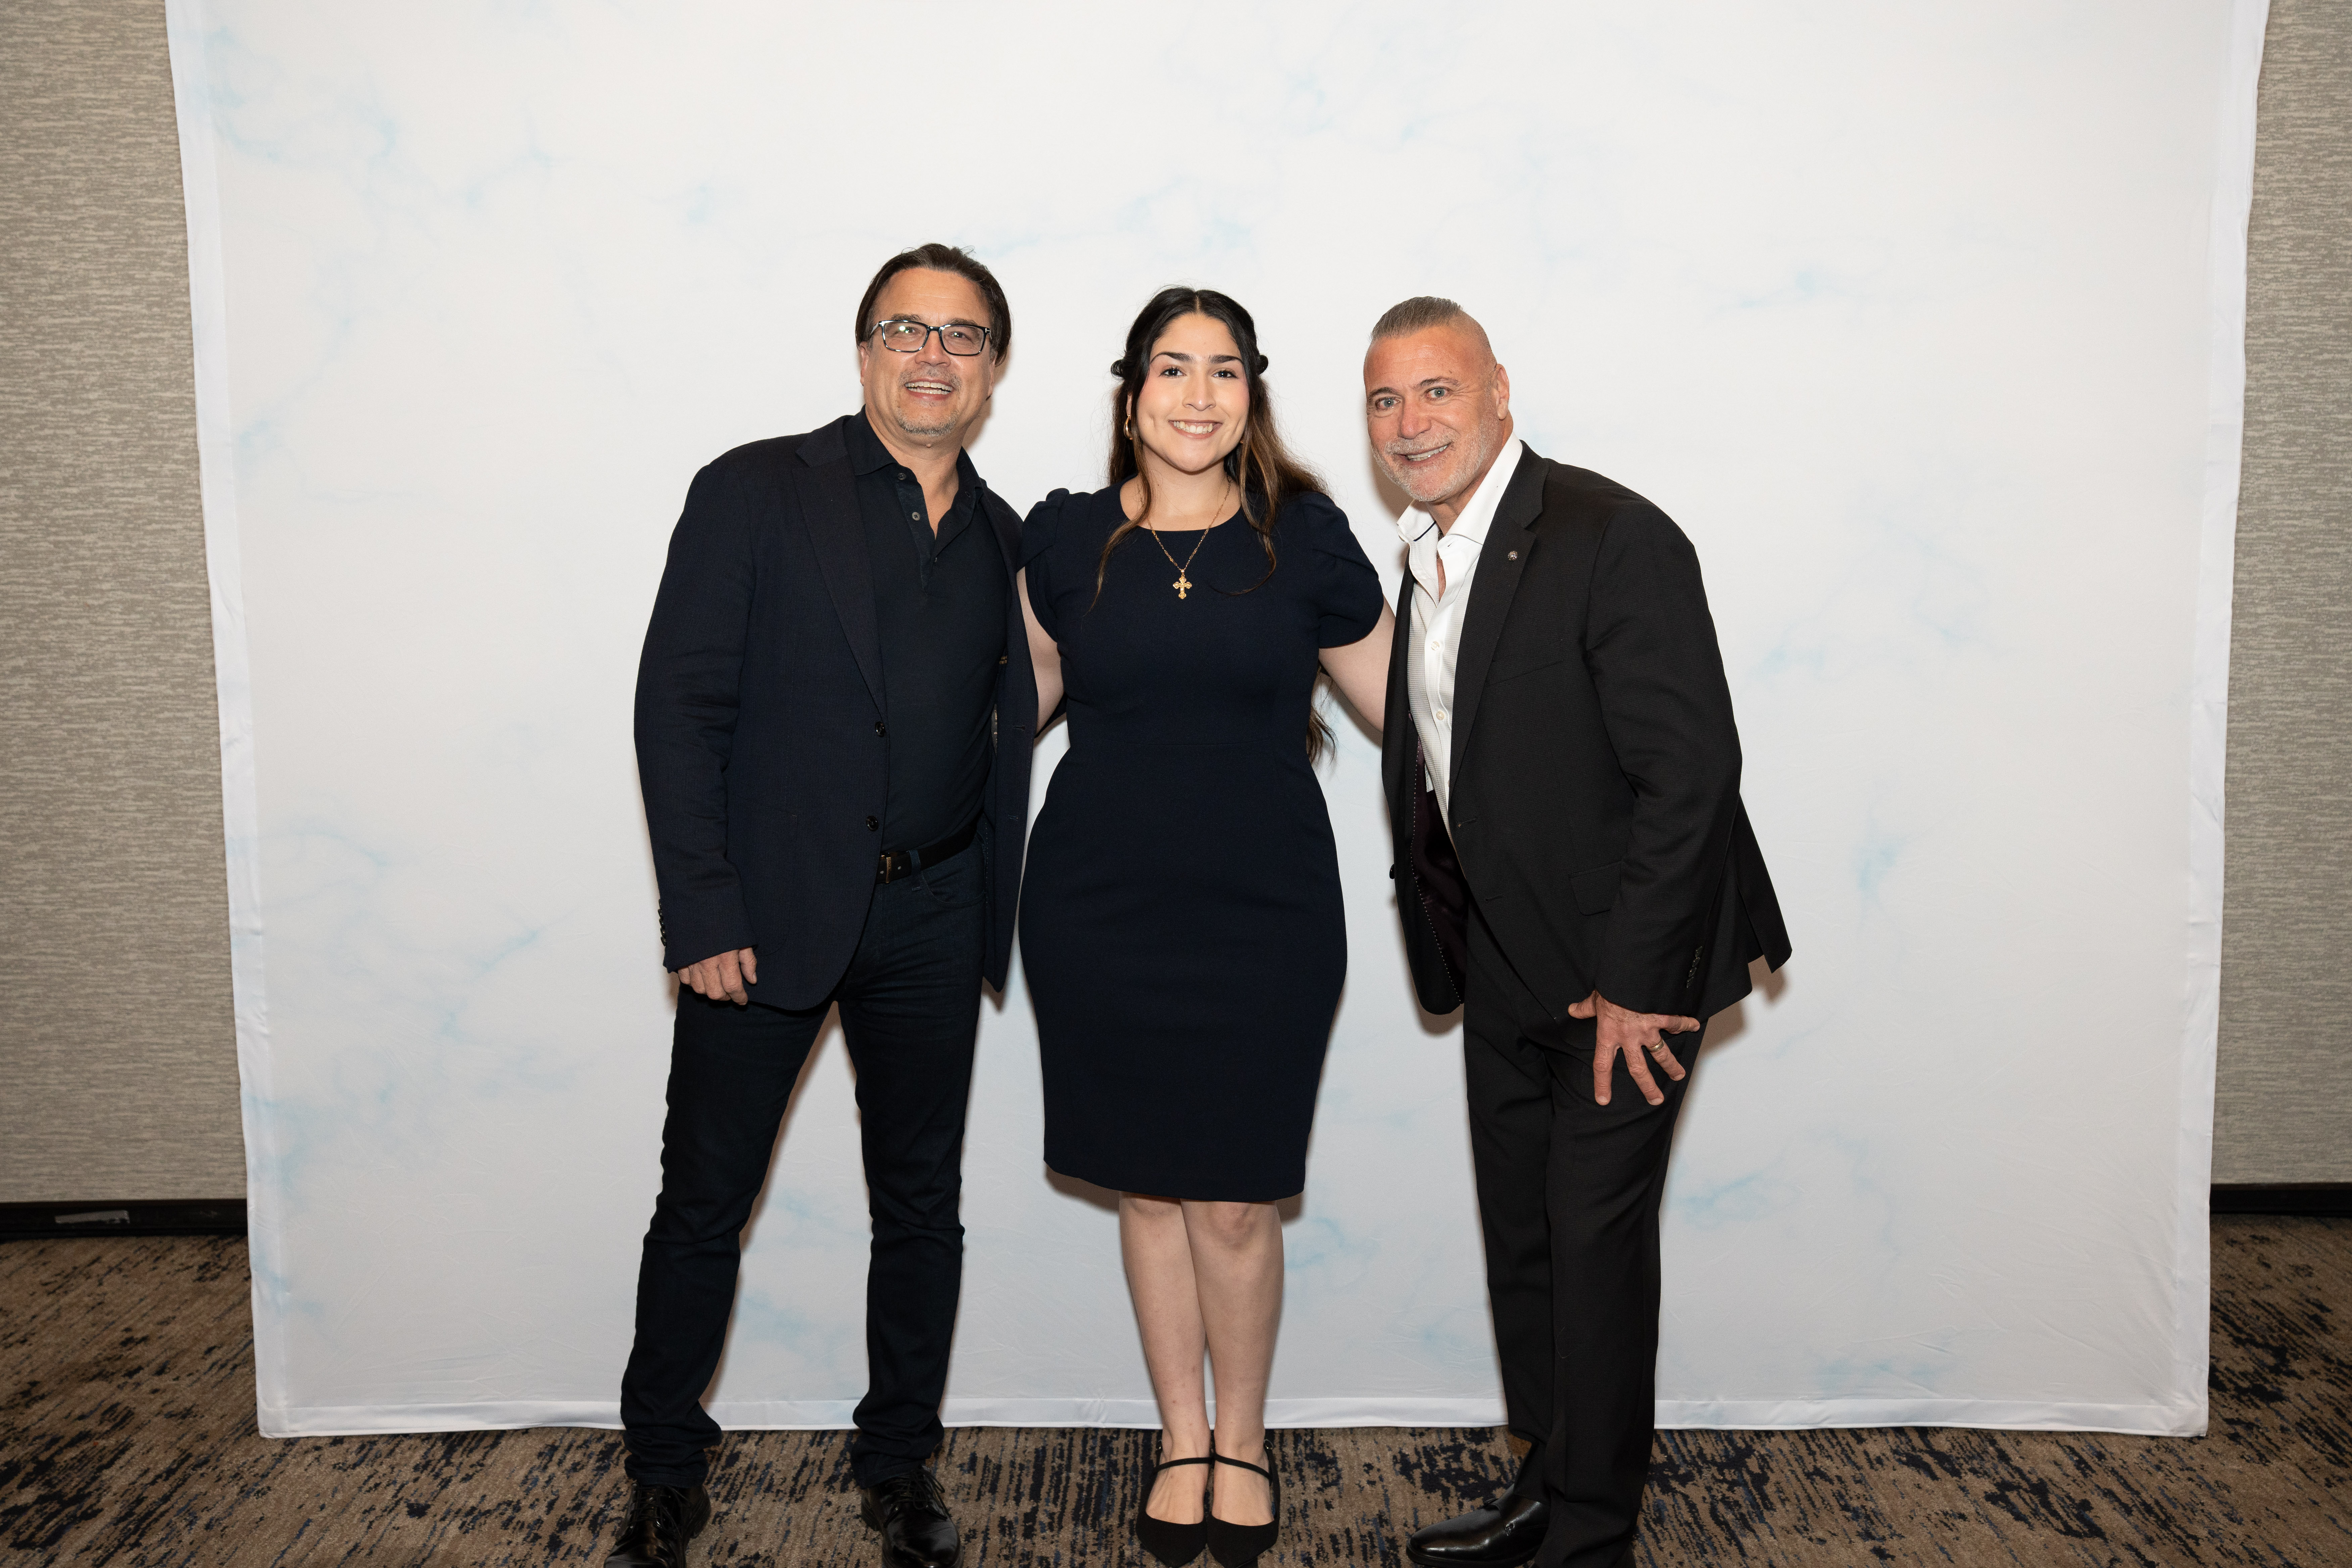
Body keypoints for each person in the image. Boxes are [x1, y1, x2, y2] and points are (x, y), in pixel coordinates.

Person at [611, 243, 1036, 1568]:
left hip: (934, 912)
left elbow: (1010, 709)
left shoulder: (1006, 538)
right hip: (762, 916)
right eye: (907, 330)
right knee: (704, 1204)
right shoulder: (756, 489)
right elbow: (678, 706)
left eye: (961, 336)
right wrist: (701, 911)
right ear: (864, 354)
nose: (932, 356)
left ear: (992, 371)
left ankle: (899, 1462)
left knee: (920, 1207)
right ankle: (664, 1471)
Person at [1365, 297, 1790, 1568]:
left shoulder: (1614, 535)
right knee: (1530, 1248)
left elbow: (1691, 776)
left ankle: (1591, 1535)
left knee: (1594, 1254)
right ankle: (1547, 1487)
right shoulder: (1426, 552)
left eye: (1437, 390)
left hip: (1625, 977)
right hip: (1502, 965)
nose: (1411, 422)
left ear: (1499, 392)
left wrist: (1639, 985)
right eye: (1386, 400)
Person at [1015, 288, 1394, 1568]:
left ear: (1253, 394)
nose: (1197, 394)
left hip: (1266, 917)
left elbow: (1416, 710)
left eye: (1224, 370)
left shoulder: (1308, 539)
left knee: (1232, 1203)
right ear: (1132, 395)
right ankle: (1182, 1439)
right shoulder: (1067, 542)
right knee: (1146, 1187)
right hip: (1096, 911)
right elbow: (1005, 713)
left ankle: (1245, 1439)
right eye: (1172, 369)